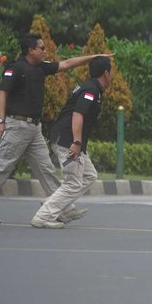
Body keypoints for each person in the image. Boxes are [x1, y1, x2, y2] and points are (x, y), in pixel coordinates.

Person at [0, 33, 109, 225]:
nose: (45, 50)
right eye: (41, 48)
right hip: (17, 125)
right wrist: (0, 121)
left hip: (34, 128)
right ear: (31, 50)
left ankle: (61, 209)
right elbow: (2, 94)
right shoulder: (15, 68)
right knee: (2, 167)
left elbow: (67, 64)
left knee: (46, 169)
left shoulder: (42, 68)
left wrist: (92, 57)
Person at [30, 56, 112, 228]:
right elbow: (78, 115)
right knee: (73, 183)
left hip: (68, 139)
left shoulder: (90, 87)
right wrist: (76, 142)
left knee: (89, 175)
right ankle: (44, 216)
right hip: (68, 140)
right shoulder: (91, 91)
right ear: (106, 73)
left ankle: (54, 204)